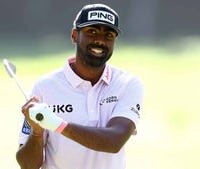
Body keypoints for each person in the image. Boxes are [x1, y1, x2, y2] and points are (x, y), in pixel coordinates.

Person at [16, 3, 144, 169]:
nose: (100, 40)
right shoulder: (44, 87)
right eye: (92, 31)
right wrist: (37, 132)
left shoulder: (127, 84)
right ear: (75, 35)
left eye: (109, 35)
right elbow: (27, 165)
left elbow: (115, 141)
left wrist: (56, 124)